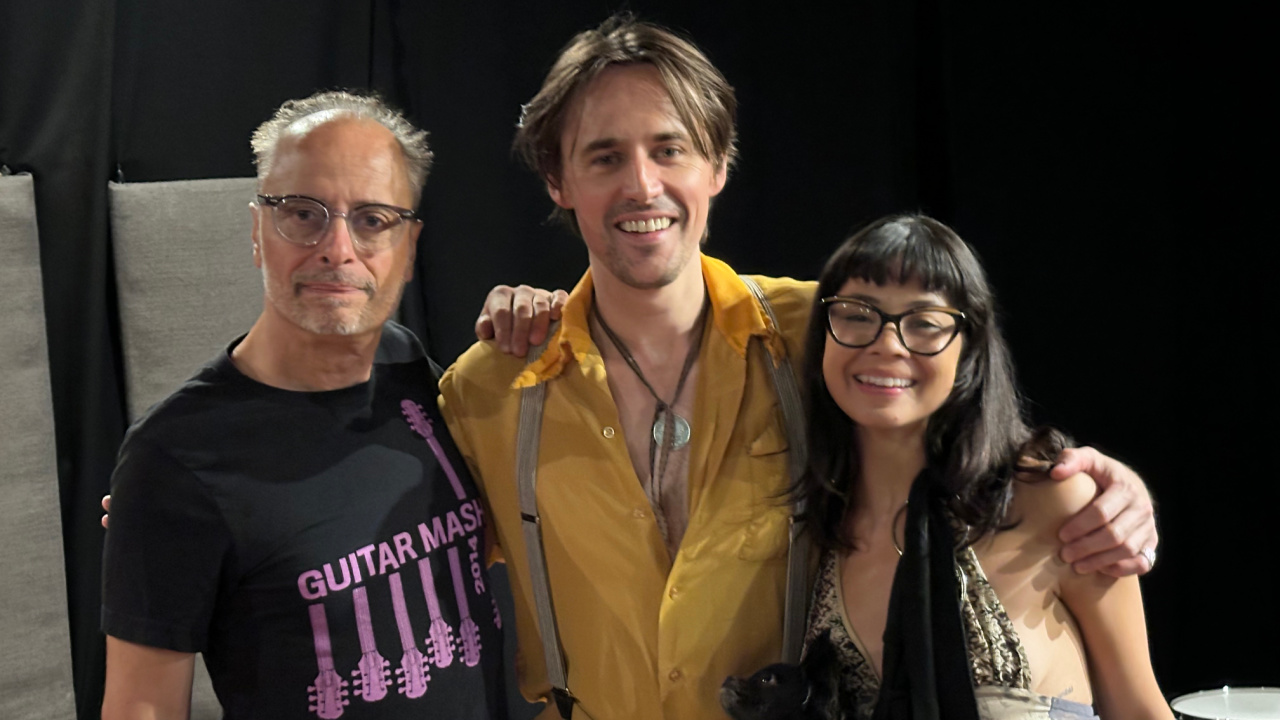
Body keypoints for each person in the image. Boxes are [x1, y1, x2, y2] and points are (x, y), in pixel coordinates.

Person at [447, 15, 1159, 720]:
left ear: (719, 165)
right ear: (556, 180)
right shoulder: (492, 387)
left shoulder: (824, 332)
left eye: (670, 150)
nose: (642, 184)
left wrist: (1102, 483)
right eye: (604, 157)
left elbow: (972, 432)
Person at [100, 91, 508, 720]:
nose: (337, 249)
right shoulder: (176, 457)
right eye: (303, 213)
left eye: (372, 219)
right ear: (258, 231)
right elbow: (140, 709)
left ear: (409, 248)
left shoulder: (410, 368)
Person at [790, 215, 1171, 718]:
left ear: (968, 348)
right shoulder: (808, 537)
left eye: (924, 323)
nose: (887, 344)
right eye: (858, 315)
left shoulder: (1054, 503)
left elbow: (1141, 710)